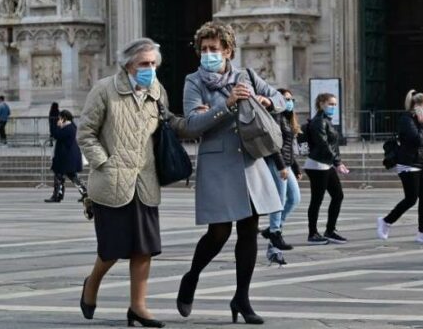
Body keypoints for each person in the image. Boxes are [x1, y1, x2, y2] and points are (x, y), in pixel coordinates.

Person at [77, 38, 194, 328]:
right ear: (128, 64)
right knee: (112, 248)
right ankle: (91, 284)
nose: (150, 69)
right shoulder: (104, 90)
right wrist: (104, 163)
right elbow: (85, 133)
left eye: (154, 64)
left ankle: (139, 307)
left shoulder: (157, 91)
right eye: (144, 64)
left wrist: (202, 119)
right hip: (111, 182)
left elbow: (167, 126)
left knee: (145, 247)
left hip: (145, 180)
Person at [176, 22, 285, 325]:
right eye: (204, 49)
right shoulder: (193, 82)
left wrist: (265, 100)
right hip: (217, 163)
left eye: (214, 48)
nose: (208, 54)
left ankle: (242, 298)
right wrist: (227, 104)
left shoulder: (246, 76)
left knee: (250, 228)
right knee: (219, 232)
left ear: (228, 50)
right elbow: (193, 125)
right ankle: (192, 276)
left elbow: (282, 99)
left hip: (249, 160)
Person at [377, 90, 423, 243]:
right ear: (417, 106)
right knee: (411, 198)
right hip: (408, 163)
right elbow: (417, 140)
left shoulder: (420, 121)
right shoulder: (406, 120)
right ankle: (386, 221)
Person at [304, 93, 350, 246]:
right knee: (317, 199)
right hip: (317, 165)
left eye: (335, 104)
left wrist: (337, 161)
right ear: (321, 103)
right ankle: (312, 233)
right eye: (331, 104)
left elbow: (333, 145)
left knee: (338, 195)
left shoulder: (326, 121)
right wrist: (337, 163)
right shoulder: (318, 122)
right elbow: (323, 144)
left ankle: (330, 230)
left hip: (326, 164)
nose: (333, 107)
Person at [261, 88, 303, 251]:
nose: (289, 102)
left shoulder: (286, 118)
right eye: (286, 99)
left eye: (291, 99)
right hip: (276, 163)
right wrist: (281, 167)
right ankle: (275, 231)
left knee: (295, 198)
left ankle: (273, 228)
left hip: (286, 163)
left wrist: (295, 167)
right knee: (279, 199)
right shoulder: (275, 116)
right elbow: (274, 145)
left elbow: (288, 147)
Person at [45, 110, 88, 205]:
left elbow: (56, 135)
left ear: (64, 118)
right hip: (67, 158)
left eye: (60, 118)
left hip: (65, 158)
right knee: (72, 176)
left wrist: (56, 126)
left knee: (60, 176)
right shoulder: (70, 127)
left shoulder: (68, 128)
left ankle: (57, 196)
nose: (59, 120)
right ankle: (85, 193)